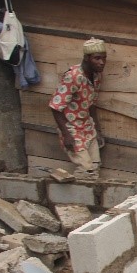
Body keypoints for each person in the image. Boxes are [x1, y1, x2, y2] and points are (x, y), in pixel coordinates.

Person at [50, 37, 107, 179]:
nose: (102, 62)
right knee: (86, 170)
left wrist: (98, 131)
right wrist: (66, 135)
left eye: (104, 58)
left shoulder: (97, 76)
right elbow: (55, 107)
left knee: (95, 166)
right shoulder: (73, 76)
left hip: (87, 127)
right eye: (97, 58)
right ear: (87, 58)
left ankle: (88, 198)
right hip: (71, 128)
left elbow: (92, 105)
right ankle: (75, 199)